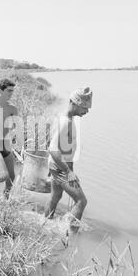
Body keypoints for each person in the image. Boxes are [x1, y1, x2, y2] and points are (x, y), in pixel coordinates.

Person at [45, 87, 93, 232]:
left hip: (57, 166)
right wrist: (68, 171)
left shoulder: (65, 118)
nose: (87, 111)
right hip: (60, 167)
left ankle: (45, 224)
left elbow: (51, 142)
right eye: (85, 107)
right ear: (75, 103)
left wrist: (52, 167)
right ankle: (71, 236)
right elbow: (53, 148)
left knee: (55, 196)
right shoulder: (65, 122)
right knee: (81, 201)